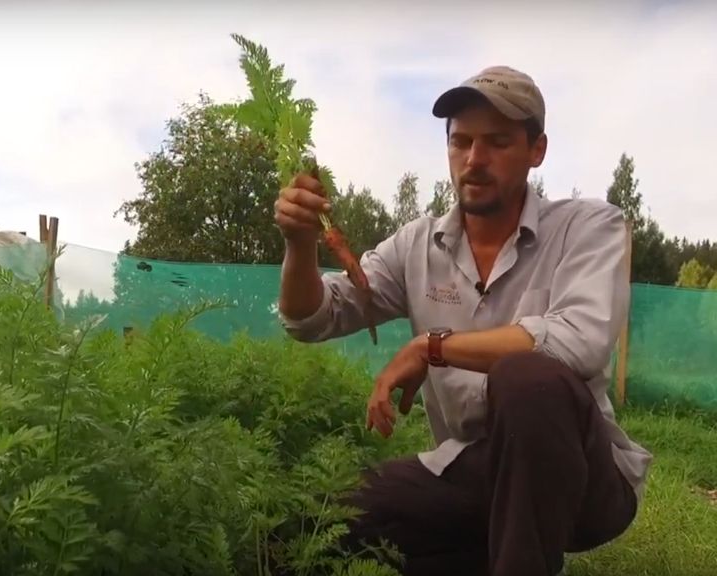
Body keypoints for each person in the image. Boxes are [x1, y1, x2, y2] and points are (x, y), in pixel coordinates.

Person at [273, 66, 653, 576]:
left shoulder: (587, 227)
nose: (474, 160)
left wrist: (431, 347)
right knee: (318, 528)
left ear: (536, 150)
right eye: (462, 142)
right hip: (473, 473)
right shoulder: (417, 244)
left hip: (585, 482)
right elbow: (312, 318)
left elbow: (579, 340)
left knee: (526, 376)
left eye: (497, 142)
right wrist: (299, 245)